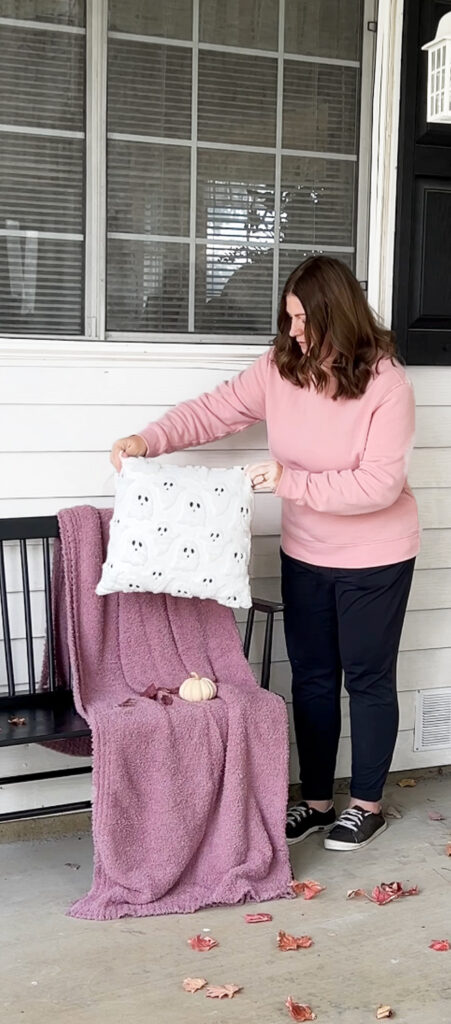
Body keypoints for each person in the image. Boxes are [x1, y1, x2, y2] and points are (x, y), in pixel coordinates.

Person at [110, 256, 420, 852]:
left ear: (335, 314)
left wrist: (288, 481)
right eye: (289, 317)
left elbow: (377, 486)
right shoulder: (282, 367)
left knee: (368, 678)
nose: (293, 330)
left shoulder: (387, 385)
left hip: (375, 558)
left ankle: (367, 805)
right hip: (306, 551)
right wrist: (147, 438)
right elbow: (215, 409)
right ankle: (317, 802)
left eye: (303, 319)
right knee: (311, 678)